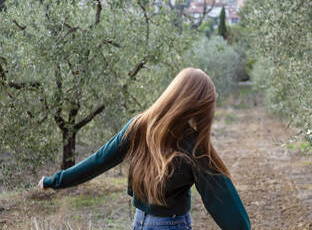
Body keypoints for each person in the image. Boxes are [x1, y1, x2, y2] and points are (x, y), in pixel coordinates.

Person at [38, 67, 251, 230]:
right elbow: (222, 197)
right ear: (197, 106)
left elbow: (98, 161)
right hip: (171, 224)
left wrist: (55, 181)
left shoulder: (139, 126)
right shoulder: (193, 146)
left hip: (140, 221)